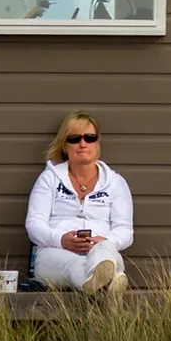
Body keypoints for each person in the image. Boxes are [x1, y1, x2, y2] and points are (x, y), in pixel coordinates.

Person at [25, 110, 132, 295]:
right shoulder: (49, 178)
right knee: (74, 264)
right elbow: (34, 224)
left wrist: (105, 241)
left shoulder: (115, 182)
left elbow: (125, 230)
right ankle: (107, 287)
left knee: (105, 253)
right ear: (64, 146)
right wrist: (60, 240)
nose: (83, 144)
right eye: (74, 138)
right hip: (54, 254)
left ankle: (95, 281)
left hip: (102, 251)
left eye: (89, 138)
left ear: (97, 143)